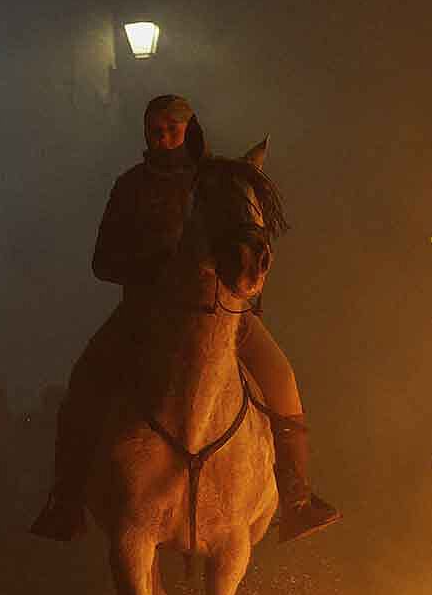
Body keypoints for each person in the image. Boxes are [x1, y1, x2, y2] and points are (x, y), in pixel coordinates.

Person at [32, 95, 339, 541]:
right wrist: (152, 268)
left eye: (171, 129)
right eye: (155, 129)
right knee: (84, 385)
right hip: (144, 311)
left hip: (223, 309)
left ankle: (295, 496)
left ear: (188, 129)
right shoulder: (130, 187)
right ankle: (67, 498)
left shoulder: (215, 181)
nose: (162, 136)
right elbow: (102, 261)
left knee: (281, 379)